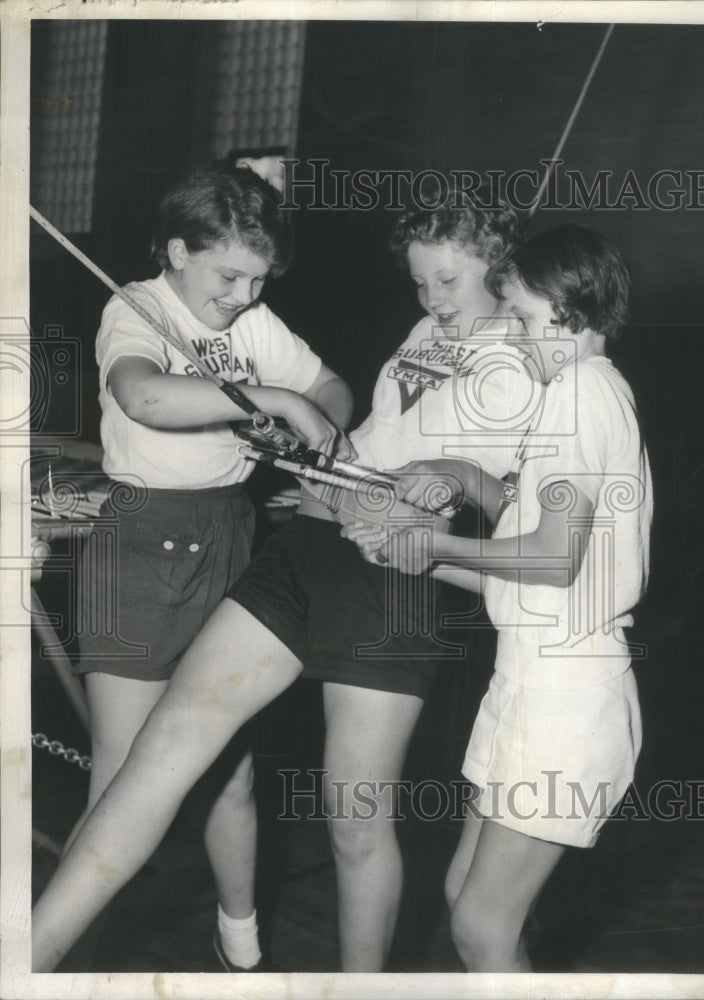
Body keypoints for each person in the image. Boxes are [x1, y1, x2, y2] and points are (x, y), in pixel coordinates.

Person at [32, 192, 538, 973]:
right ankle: (29, 957)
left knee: (354, 821)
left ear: (500, 275)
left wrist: (451, 490)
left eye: (447, 283)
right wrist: (326, 471)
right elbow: (365, 431)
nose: (431, 302)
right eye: (419, 285)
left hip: (387, 584)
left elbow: (515, 507)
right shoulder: (423, 331)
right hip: (305, 550)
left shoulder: (534, 363)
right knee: (160, 748)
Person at [60, 160, 354, 972]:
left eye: (258, 281)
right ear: (178, 249)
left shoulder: (249, 322)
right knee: (123, 780)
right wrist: (268, 402)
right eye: (230, 275)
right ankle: (64, 966)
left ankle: (243, 949)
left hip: (230, 533)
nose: (244, 297)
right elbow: (145, 397)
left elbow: (330, 386)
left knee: (229, 773)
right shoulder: (137, 308)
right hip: (142, 540)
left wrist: (313, 426)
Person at [344, 224, 652, 971]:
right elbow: (534, 568)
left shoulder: (580, 393)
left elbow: (550, 557)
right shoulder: (573, 395)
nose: (508, 334)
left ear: (569, 307)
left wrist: (440, 542)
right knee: (464, 899)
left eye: (518, 315)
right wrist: (414, 553)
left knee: (482, 925)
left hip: (566, 696)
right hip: (527, 679)